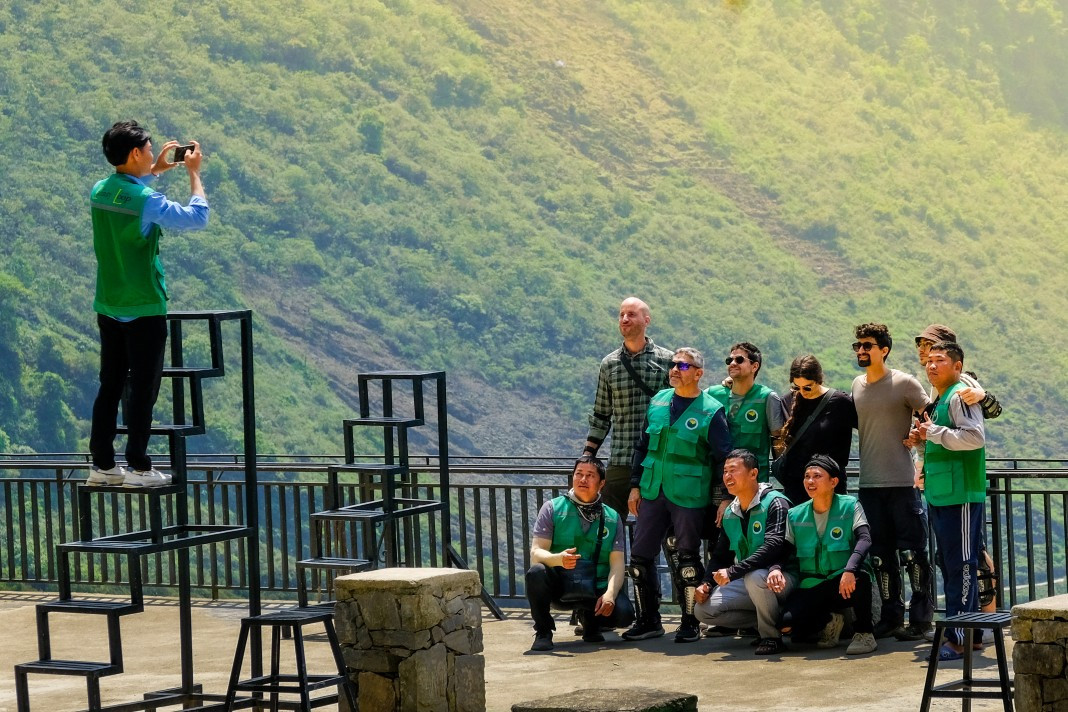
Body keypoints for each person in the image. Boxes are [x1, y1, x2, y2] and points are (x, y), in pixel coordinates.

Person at [88, 121, 209, 488]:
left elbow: (128, 197)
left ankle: (103, 465)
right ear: (136, 152)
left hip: (109, 304)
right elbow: (196, 218)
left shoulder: (99, 190)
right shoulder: (148, 201)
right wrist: (194, 176)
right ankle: (140, 467)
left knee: (109, 385)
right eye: (150, 149)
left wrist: (154, 172)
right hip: (144, 307)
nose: (154, 152)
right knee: (143, 388)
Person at [623, 348, 733, 643]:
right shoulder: (658, 401)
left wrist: (724, 496)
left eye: (682, 365)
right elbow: (642, 446)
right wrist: (635, 484)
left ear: (698, 373)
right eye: (672, 364)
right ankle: (647, 620)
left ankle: (690, 621)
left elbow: (724, 457)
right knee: (639, 558)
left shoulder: (711, 410)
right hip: (652, 489)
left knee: (687, 559)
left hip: (689, 495)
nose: (674, 369)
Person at [850, 323, 933, 640]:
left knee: (913, 554)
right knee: (881, 556)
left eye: (867, 345)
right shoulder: (857, 386)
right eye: (857, 346)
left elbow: (931, 415)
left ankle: (921, 619)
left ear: (883, 349)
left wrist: (919, 442)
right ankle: (891, 617)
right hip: (869, 484)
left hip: (902, 483)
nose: (861, 351)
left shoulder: (904, 383)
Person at [908, 342, 986, 661]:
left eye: (940, 360)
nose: (931, 366)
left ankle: (958, 638)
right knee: (950, 564)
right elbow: (940, 438)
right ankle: (973, 634)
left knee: (962, 566)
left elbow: (974, 437)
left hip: (961, 493)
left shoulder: (959, 394)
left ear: (958, 366)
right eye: (928, 361)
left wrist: (934, 432)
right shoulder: (939, 399)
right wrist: (921, 441)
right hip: (941, 492)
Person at [526, 456, 634, 651]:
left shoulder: (612, 516)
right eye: (579, 474)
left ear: (601, 483)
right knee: (536, 574)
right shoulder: (552, 508)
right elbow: (536, 553)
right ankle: (543, 631)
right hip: (560, 585)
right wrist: (557, 559)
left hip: (595, 586)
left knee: (624, 614)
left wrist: (610, 594)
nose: (582, 479)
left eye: (590, 476)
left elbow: (617, 563)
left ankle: (591, 620)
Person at [694, 449, 796, 655]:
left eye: (734, 471)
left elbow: (774, 546)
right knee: (703, 610)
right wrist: (706, 583)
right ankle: (763, 622)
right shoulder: (731, 511)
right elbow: (721, 555)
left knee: (755, 576)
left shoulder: (775, 502)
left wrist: (732, 573)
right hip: (749, 579)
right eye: (725, 472)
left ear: (753, 474)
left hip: (783, 576)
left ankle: (771, 637)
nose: (727, 477)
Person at [584, 297, 674, 519]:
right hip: (621, 459)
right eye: (622, 315)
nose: (625, 319)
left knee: (661, 528)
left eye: (631, 314)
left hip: (657, 460)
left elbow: (683, 404)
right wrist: (588, 455)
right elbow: (602, 414)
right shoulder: (609, 364)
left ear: (646, 320)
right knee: (608, 526)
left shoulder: (668, 360)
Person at [784, 455, 877, 655]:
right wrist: (774, 569)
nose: (810, 481)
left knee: (861, 580)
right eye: (807, 476)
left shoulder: (850, 505)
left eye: (817, 476)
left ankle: (864, 633)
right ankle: (830, 621)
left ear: (833, 482)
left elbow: (864, 539)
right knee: (785, 624)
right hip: (812, 584)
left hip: (843, 579)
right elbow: (784, 551)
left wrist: (850, 569)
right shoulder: (795, 514)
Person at [775, 355, 856, 506]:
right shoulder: (787, 400)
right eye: (796, 387)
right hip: (796, 487)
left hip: (830, 486)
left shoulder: (840, 402)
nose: (802, 392)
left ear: (819, 379)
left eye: (807, 387)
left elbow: (869, 426)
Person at [704, 342, 785, 485]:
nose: (733, 363)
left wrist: (782, 473)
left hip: (753, 482)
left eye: (739, 360)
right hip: (716, 479)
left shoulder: (767, 398)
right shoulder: (711, 395)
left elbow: (778, 440)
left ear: (755, 366)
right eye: (730, 360)